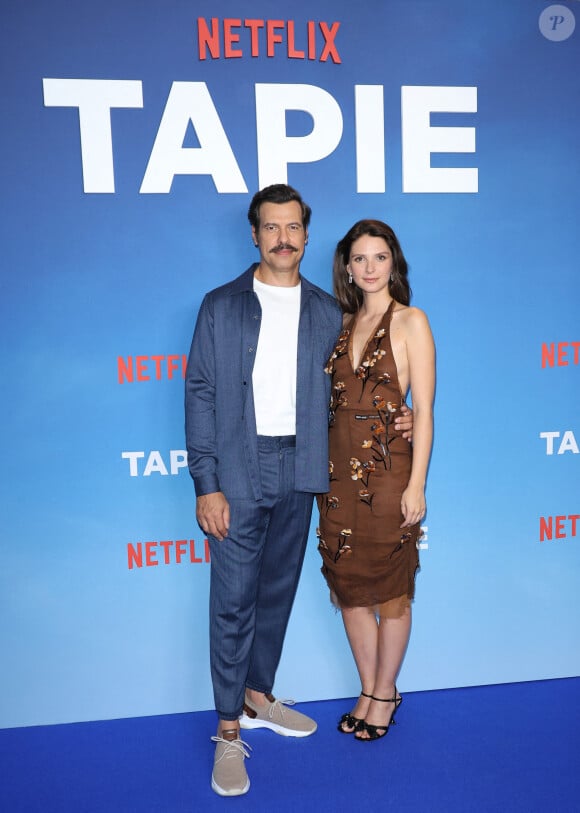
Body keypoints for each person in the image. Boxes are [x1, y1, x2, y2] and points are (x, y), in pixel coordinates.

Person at [185, 188, 413, 795]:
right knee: (233, 599)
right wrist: (207, 483)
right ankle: (229, 731)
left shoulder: (326, 312)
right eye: (271, 227)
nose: (283, 238)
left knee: (278, 591)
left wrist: (397, 419)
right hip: (238, 465)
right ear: (255, 236)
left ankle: (258, 696)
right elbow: (201, 393)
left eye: (293, 228)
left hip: (305, 468)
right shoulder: (220, 306)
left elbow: (359, 391)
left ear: (307, 238)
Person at [317, 219, 435, 741]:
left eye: (379, 257)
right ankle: (367, 689)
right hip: (336, 476)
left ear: (394, 263)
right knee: (350, 591)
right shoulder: (337, 324)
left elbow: (425, 412)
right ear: (347, 266)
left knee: (391, 594)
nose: (369, 268)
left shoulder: (412, 321)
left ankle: (386, 693)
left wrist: (417, 486)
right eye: (359, 259)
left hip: (389, 474)